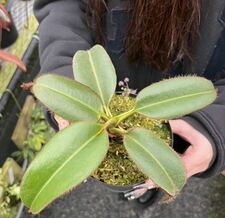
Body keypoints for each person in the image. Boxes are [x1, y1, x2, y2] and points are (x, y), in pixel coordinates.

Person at [33, 0, 225, 204]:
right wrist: (66, 79)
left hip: (185, 121)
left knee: (158, 167)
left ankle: (145, 191)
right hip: (104, 92)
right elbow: (61, 5)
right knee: (127, 174)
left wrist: (215, 125)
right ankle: (136, 192)